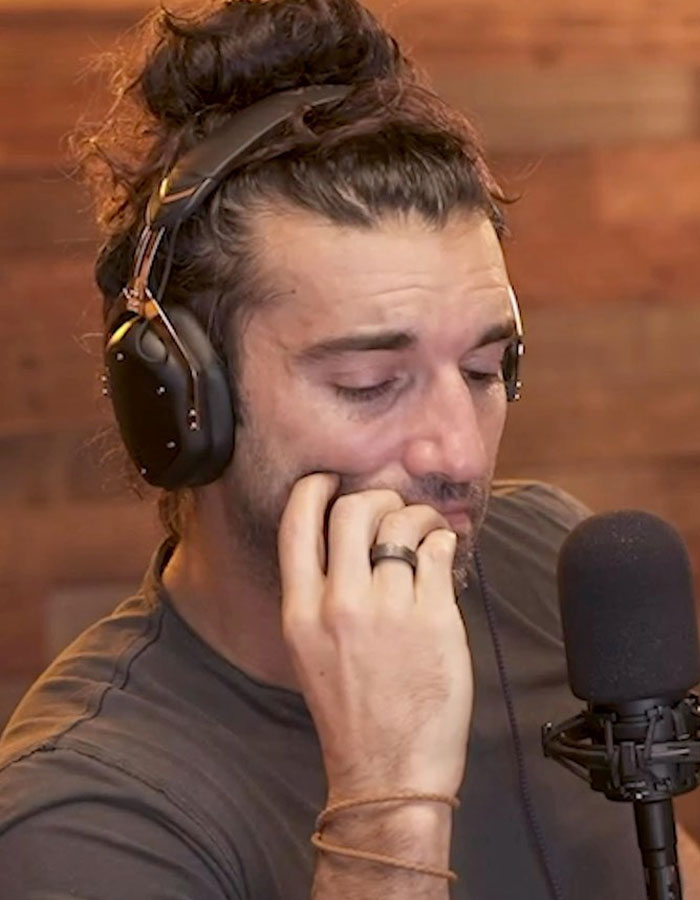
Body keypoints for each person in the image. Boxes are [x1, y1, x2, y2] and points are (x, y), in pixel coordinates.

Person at [1, 1, 699, 898]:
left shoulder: (541, 565)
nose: (458, 452)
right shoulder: (79, 816)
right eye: (371, 384)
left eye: (485, 371)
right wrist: (389, 804)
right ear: (184, 403)